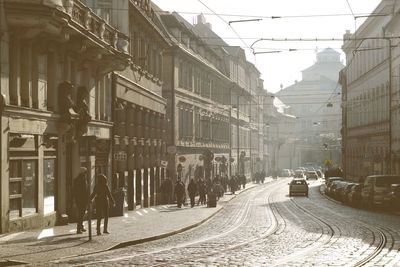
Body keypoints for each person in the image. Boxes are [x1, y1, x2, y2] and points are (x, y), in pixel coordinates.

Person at [73, 167, 89, 234]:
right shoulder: (82, 180)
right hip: (82, 199)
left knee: (81, 214)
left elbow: (73, 190)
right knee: (81, 214)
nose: (86, 174)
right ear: (83, 173)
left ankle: (81, 226)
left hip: (78, 199)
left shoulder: (76, 179)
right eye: (85, 172)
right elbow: (84, 191)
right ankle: (78, 229)